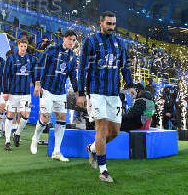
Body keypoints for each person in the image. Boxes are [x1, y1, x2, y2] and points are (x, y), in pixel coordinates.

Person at [76, 11, 136, 183]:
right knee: (101, 129)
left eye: (113, 24)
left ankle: (93, 148)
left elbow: (124, 66)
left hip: (113, 94)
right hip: (96, 92)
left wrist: (130, 85)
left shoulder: (119, 42)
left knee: (115, 131)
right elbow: (82, 68)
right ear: (100, 23)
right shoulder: (90, 41)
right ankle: (103, 171)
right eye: (108, 23)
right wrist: (80, 93)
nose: (111, 27)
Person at [31, 30, 78, 162]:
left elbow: (73, 75)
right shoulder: (52, 49)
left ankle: (56, 151)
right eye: (70, 39)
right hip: (47, 89)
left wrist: (77, 91)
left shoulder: (73, 57)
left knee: (62, 119)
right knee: (45, 119)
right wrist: (37, 83)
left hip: (61, 92)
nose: (71, 42)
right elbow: (39, 65)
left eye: (74, 40)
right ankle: (35, 137)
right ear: (64, 38)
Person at [2, 38, 36, 151]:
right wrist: (5, 91)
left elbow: (34, 74)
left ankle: (17, 133)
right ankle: (7, 141)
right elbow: (5, 75)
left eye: (25, 46)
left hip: (26, 93)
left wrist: (35, 84)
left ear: (27, 47)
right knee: (10, 115)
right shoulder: (11, 58)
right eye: (21, 46)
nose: (23, 48)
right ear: (18, 46)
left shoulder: (30, 59)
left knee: (26, 114)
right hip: (13, 93)